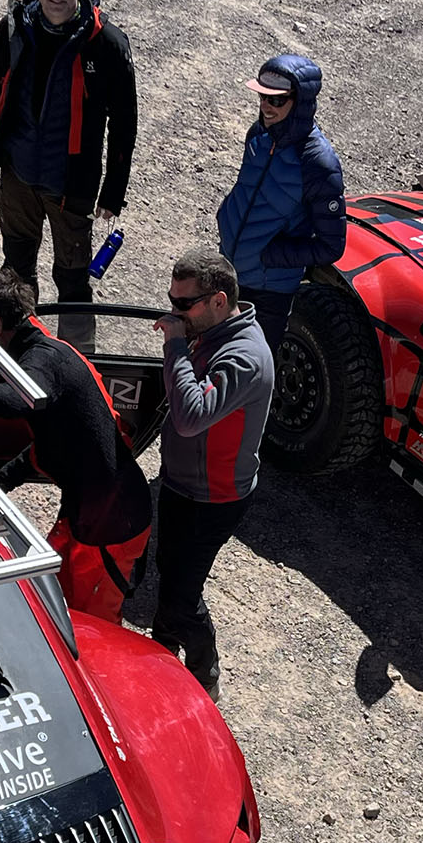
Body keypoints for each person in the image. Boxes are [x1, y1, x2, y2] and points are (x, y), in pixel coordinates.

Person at [0, 0, 138, 354]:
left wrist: (113, 192)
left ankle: (79, 364)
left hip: (71, 187)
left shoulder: (106, 42)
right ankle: (21, 355)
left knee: (73, 280)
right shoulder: (14, 30)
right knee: (17, 272)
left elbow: (125, 123)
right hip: (18, 176)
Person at [0, 269, 153, 622]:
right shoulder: (38, 348)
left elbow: (16, 401)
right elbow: (48, 448)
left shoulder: (43, 362)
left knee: (91, 628)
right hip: (85, 512)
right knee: (52, 604)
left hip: (111, 525)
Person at [151, 248, 273, 701]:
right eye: (172, 301)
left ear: (219, 301)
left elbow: (190, 417)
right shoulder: (213, 329)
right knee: (170, 572)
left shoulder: (245, 358)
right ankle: (161, 655)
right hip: (183, 485)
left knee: (184, 597)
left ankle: (205, 674)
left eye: (183, 305)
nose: (174, 313)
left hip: (214, 499)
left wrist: (175, 346)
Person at [213, 53, 346, 358]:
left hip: (269, 294)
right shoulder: (259, 134)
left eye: (276, 100)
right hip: (231, 272)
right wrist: (226, 217)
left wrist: (271, 255)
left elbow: (331, 246)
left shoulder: (318, 163)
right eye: (262, 96)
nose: (265, 106)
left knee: (248, 380)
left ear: (300, 102)